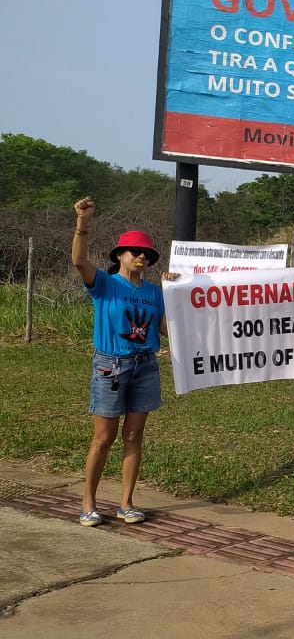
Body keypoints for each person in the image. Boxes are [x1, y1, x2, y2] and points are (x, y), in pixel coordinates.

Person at [71, 197, 168, 527]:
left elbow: (166, 329)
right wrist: (83, 222)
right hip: (111, 366)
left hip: (145, 366)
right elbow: (78, 260)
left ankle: (126, 502)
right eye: (135, 253)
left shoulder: (154, 293)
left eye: (146, 255)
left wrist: (181, 290)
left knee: (134, 436)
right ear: (119, 256)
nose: (141, 258)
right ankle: (89, 502)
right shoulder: (106, 285)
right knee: (104, 437)